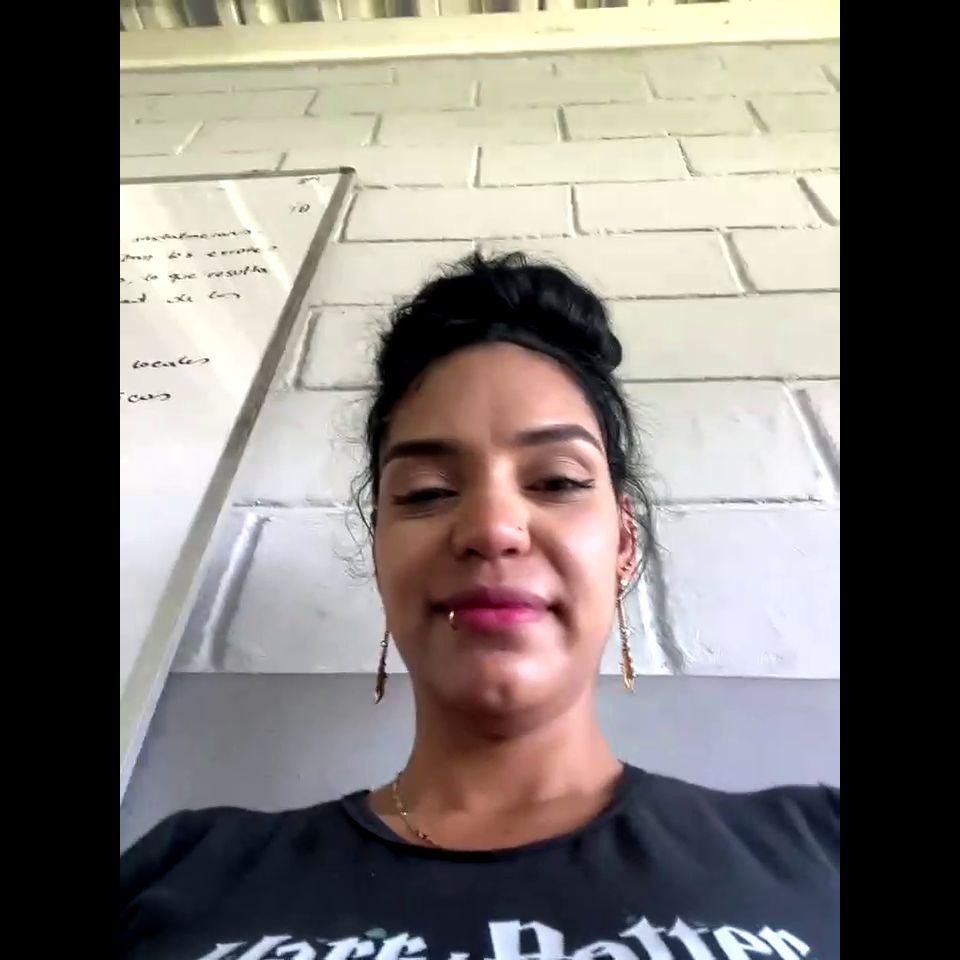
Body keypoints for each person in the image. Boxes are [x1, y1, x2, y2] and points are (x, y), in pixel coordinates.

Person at [120, 252, 839, 960]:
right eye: (428, 492)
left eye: (556, 481)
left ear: (623, 541)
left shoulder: (817, 843)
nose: (493, 528)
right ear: (381, 552)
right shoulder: (186, 867)